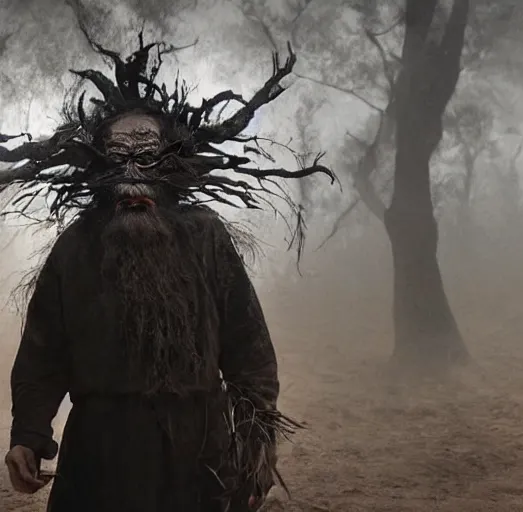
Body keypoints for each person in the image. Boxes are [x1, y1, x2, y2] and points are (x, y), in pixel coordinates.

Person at [0, 35, 331, 511]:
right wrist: (28, 436)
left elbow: (248, 352)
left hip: (198, 454)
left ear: (170, 165)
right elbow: (41, 357)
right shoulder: (76, 246)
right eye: (118, 157)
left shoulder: (206, 237)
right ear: (98, 168)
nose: (133, 170)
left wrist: (256, 447)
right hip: (99, 457)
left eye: (147, 155)